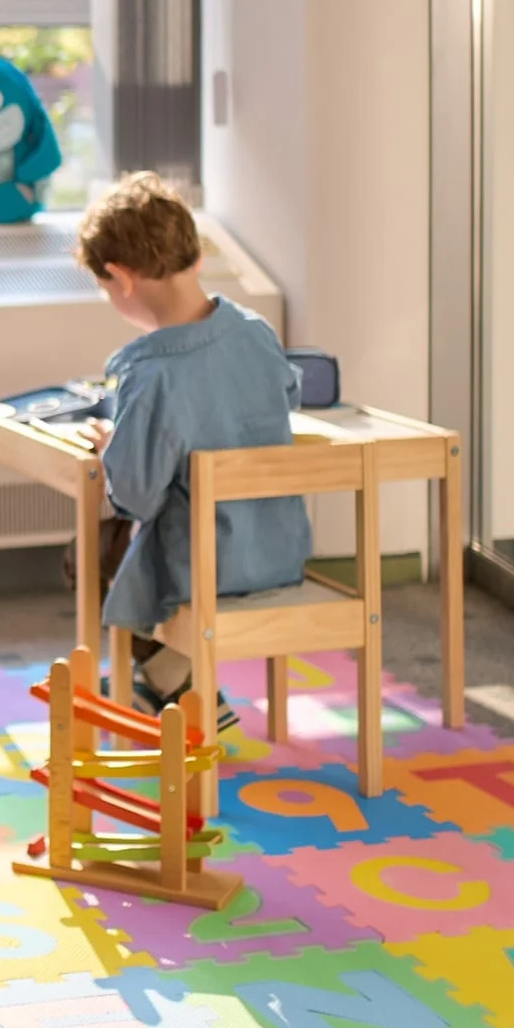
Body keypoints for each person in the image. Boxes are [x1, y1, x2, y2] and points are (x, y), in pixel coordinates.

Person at [73, 174, 312, 695]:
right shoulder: (255, 331)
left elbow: (135, 496)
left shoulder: (152, 372)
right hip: (279, 551)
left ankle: (166, 682)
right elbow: (285, 398)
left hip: (202, 572)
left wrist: (114, 447)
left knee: (89, 554)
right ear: (197, 258)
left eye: (105, 288)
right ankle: (171, 674)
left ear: (121, 277)